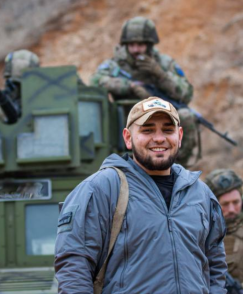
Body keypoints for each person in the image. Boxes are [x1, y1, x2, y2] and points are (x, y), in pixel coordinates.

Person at [55, 96, 227, 294]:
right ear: (128, 138)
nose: (159, 138)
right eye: (147, 130)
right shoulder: (102, 188)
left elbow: (216, 265)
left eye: (168, 130)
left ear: (179, 136)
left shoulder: (201, 193)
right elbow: (74, 264)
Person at [90, 16, 198, 167]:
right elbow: (96, 81)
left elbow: (186, 93)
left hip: (161, 117)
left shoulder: (163, 63)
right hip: (126, 119)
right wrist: (130, 86)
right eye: (131, 45)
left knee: (186, 116)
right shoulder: (116, 64)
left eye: (140, 45)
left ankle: (174, 166)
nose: (135, 50)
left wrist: (160, 74)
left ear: (149, 45)